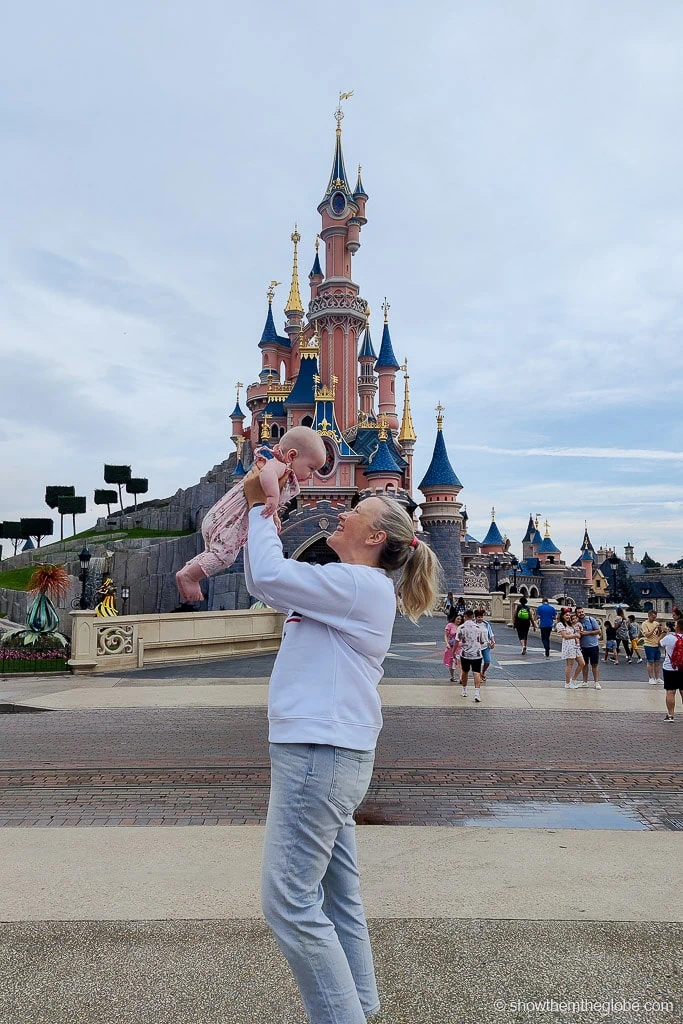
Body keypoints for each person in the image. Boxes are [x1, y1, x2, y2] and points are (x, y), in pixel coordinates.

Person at [242, 477, 443, 1024]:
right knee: (338, 896)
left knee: (289, 904)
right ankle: (360, 1006)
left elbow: (268, 575)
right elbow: (267, 584)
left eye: (357, 512)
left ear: (375, 535)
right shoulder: (353, 583)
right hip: (329, 755)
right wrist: (265, 517)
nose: (343, 514)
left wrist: (261, 508)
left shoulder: (357, 584)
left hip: (319, 756)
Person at [176, 426, 326, 602]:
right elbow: (266, 474)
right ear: (292, 456)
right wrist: (272, 497)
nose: (311, 475)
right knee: (224, 556)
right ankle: (190, 576)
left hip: (221, 518)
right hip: (231, 520)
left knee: (214, 552)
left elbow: (265, 496)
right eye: (311, 468)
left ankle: (187, 570)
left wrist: (274, 513)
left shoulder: (279, 466)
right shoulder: (279, 465)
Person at [456, 608, 488, 701]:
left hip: (465, 654)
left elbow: (457, 641)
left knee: (465, 672)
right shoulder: (478, 628)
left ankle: (464, 690)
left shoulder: (461, 628)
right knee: (476, 672)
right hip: (477, 654)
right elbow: (482, 642)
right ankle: (477, 693)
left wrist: (454, 651)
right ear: (473, 617)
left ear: (465, 617)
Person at [659, 617, 683, 722]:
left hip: (670, 668)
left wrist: (663, 632)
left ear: (677, 627)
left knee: (670, 691)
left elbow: (658, 643)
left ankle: (670, 715)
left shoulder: (669, 638)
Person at [557, 609, 584, 688]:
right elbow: (565, 636)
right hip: (568, 645)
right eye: (566, 615)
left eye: (569, 615)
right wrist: (575, 636)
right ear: (562, 616)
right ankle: (567, 683)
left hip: (575, 645)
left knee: (582, 663)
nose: (568, 616)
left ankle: (573, 680)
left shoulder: (570, 624)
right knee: (570, 664)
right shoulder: (560, 624)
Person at [576, 605, 601, 688]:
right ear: (576, 614)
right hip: (583, 646)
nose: (581, 613)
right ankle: (585, 681)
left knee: (594, 664)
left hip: (593, 645)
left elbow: (598, 631)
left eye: (582, 612)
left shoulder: (591, 619)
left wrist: (587, 633)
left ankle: (596, 682)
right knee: (584, 664)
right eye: (579, 612)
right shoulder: (576, 622)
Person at [641, 610, 665, 684]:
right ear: (649, 615)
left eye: (655, 617)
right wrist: (654, 628)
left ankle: (657, 678)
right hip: (649, 645)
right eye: (653, 617)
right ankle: (651, 678)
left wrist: (661, 630)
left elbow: (658, 634)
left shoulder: (656, 623)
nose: (654, 619)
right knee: (650, 661)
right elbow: (647, 635)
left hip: (656, 644)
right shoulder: (645, 624)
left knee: (657, 662)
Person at [474, 608, 495, 681]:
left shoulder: (486, 624)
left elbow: (490, 633)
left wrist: (493, 641)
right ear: (475, 617)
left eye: (481, 617)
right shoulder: (473, 625)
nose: (480, 618)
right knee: (478, 662)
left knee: (487, 661)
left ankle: (483, 671)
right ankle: (479, 675)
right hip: (476, 647)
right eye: (479, 617)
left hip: (486, 645)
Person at [443, 609, 463, 682]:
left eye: (460, 619)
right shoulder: (450, 625)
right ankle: (452, 676)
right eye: (458, 619)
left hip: (460, 647)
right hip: (451, 646)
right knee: (451, 662)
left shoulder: (462, 626)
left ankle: (461, 677)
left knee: (459, 661)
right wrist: (447, 643)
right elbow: (446, 635)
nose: (459, 621)